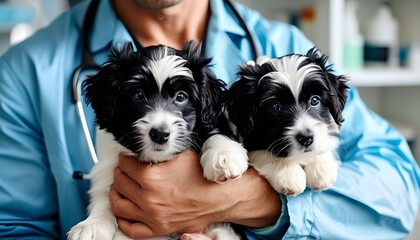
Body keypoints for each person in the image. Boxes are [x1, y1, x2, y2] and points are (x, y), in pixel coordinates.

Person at [0, 0, 418, 239]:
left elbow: (399, 186)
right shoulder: (26, 71)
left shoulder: (282, 47)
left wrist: (252, 201)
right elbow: (12, 228)